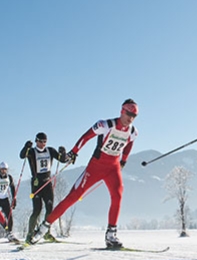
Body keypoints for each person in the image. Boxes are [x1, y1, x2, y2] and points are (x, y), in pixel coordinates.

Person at [32, 99, 139, 249]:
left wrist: (123, 161)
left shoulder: (133, 131)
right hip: (96, 166)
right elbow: (86, 136)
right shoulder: (105, 125)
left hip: (113, 167)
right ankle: (44, 227)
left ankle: (111, 235)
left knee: (118, 194)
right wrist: (74, 152)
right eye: (129, 114)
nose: (131, 118)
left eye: (134, 116)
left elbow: (129, 145)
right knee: (73, 197)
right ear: (122, 111)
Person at [19, 132, 68, 243]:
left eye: (45, 142)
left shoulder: (50, 150)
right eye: (40, 141)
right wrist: (26, 146)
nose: (43, 144)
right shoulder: (32, 152)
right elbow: (22, 155)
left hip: (47, 183)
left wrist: (63, 152)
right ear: (36, 141)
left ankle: (46, 232)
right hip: (37, 183)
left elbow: (62, 159)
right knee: (37, 210)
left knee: (50, 208)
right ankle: (30, 234)